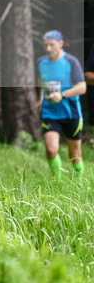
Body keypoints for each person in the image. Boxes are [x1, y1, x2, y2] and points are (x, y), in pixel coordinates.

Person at [36, 30, 87, 179]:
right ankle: (56, 181)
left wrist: (62, 95)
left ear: (61, 44)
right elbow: (41, 80)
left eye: (52, 45)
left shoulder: (71, 61)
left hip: (71, 113)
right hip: (50, 112)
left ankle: (79, 183)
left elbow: (82, 87)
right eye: (45, 45)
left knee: (74, 155)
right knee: (51, 150)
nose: (48, 49)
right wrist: (40, 98)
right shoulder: (41, 62)